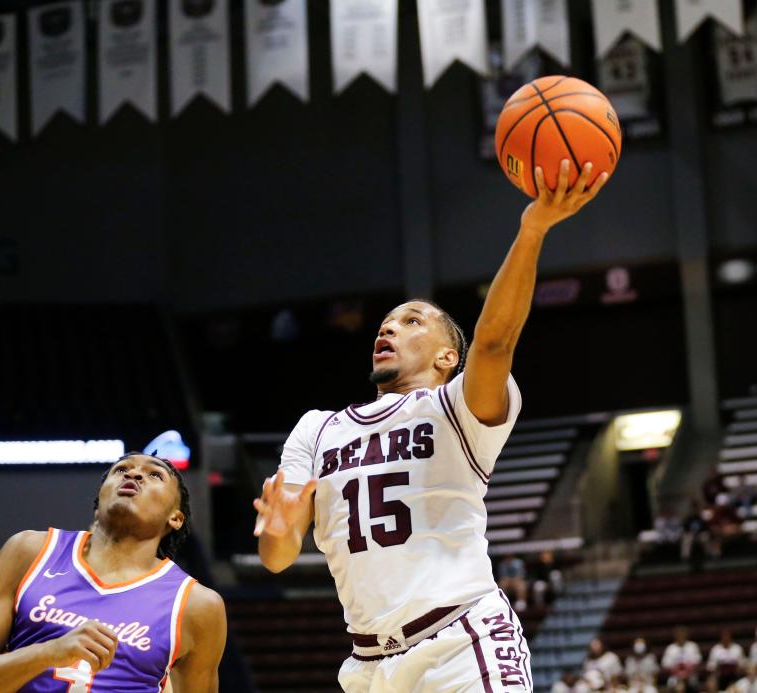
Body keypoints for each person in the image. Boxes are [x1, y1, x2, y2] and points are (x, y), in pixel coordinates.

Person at [252, 160, 608, 692]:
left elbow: (494, 342)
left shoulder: (455, 408)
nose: (390, 326)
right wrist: (277, 534)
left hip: (461, 642)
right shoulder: (315, 429)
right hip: (369, 665)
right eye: (386, 322)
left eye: (412, 320)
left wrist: (532, 229)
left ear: (447, 357)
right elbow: (277, 559)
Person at [0, 452, 226, 692]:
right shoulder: (29, 551)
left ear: (175, 518)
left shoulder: (197, 605)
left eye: (154, 475)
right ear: (98, 502)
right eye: (121, 470)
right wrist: (49, 652)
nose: (134, 475)